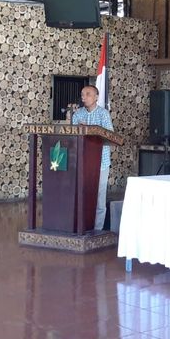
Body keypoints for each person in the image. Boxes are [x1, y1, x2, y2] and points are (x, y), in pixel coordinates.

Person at [71, 85, 113, 232]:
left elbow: (110, 135)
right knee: (82, 195)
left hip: (101, 163)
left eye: (88, 94)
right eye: (82, 94)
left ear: (96, 97)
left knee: (99, 197)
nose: (84, 97)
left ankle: (97, 230)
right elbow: (72, 135)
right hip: (82, 162)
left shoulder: (103, 114)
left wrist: (88, 128)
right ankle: (82, 226)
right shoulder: (78, 114)